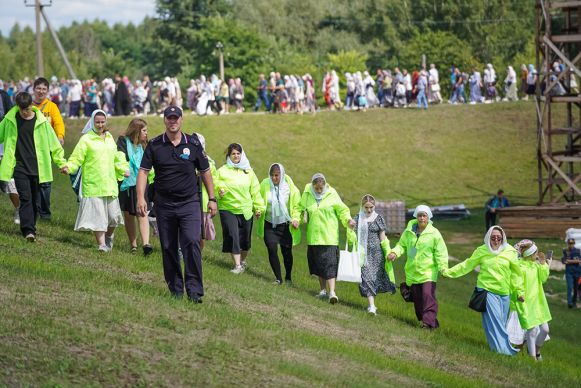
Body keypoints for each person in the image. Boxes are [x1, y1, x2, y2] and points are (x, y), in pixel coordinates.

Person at [136, 106, 216, 303]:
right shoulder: (155, 145)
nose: (173, 121)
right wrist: (140, 198)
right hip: (165, 205)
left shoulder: (193, 143)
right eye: (169, 118)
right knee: (169, 247)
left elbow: (205, 171)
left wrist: (212, 198)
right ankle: (176, 290)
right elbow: (143, 172)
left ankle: (195, 291)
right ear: (164, 120)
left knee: (191, 242)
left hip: (189, 203)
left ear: (181, 120)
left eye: (176, 118)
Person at [443, 226, 524, 355]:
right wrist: (449, 272)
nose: (496, 240)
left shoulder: (510, 252)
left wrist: (519, 291)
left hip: (504, 294)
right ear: (488, 238)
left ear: (503, 238)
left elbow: (516, 274)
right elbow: (467, 265)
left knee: (499, 324)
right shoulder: (481, 251)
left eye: (499, 237)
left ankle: (496, 350)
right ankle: (506, 351)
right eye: (493, 237)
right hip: (487, 290)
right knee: (495, 322)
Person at [0, 92, 67, 241]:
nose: (25, 112)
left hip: (38, 167)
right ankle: (28, 231)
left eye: (27, 108)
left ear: (31, 105)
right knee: (25, 198)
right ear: (18, 106)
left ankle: (31, 227)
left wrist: (62, 163)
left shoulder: (41, 122)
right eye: (22, 109)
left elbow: (54, 145)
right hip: (19, 166)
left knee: (36, 201)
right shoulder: (10, 120)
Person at [63, 110, 129, 252]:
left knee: (113, 217)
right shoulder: (86, 139)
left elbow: (117, 157)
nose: (100, 125)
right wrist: (69, 167)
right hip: (93, 183)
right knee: (98, 217)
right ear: (92, 122)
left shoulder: (110, 138)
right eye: (97, 122)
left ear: (106, 122)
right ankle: (101, 244)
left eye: (102, 122)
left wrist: (123, 169)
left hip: (109, 183)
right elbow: (76, 157)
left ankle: (109, 237)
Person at [388, 205, 448, 329]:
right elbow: (402, 245)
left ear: (428, 217)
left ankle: (427, 323)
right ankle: (431, 323)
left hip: (428, 273)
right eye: (419, 215)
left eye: (424, 215)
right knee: (418, 301)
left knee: (427, 296)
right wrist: (394, 252)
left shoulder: (434, 234)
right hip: (413, 273)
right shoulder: (409, 232)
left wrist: (443, 267)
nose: (421, 218)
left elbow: (441, 252)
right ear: (416, 216)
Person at [300, 173, 355, 304]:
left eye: (321, 188)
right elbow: (300, 208)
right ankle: (323, 291)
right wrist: (297, 218)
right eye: (317, 188)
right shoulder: (307, 194)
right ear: (313, 186)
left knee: (330, 265)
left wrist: (348, 220)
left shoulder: (332, 194)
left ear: (325, 185)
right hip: (314, 236)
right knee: (319, 265)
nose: (319, 191)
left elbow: (342, 210)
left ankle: (332, 293)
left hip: (329, 236)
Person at [215, 143, 264, 274]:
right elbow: (215, 183)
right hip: (228, 208)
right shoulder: (222, 170)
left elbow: (256, 191)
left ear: (242, 155)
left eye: (238, 153)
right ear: (229, 156)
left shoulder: (249, 171)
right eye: (233, 154)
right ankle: (237, 265)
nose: (236, 156)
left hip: (246, 210)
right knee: (233, 236)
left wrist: (259, 208)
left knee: (245, 241)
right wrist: (218, 191)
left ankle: (242, 262)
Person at [256, 163, 301, 285]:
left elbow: (297, 205)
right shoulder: (265, 184)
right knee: (271, 248)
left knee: (287, 252)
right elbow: (258, 199)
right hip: (269, 223)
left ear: (282, 174)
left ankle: (288, 277)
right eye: (272, 176)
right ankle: (278, 278)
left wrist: (296, 218)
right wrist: (258, 210)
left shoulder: (289, 186)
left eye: (277, 175)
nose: (274, 178)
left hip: (285, 224)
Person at [117, 118, 153, 255]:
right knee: (128, 215)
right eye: (144, 130)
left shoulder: (146, 145)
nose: (146, 133)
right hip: (127, 182)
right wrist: (123, 169)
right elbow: (119, 157)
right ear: (136, 131)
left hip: (142, 183)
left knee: (142, 212)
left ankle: (146, 244)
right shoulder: (122, 141)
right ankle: (133, 245)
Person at [355, 194, 396, 315]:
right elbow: (351, 232)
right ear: (362, 206)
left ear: (374, 206)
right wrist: (350, 226)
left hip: (377, 254)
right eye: (366, 207)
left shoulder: (378, 218)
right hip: (363, 254)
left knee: (374, 278)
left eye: (371, 207)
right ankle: (372, 306)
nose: (368, 210)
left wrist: (388, 252)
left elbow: (383, 238)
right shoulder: (358, 218)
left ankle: (372, 305)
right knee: (366, 277)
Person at [511, 241, 551, 360]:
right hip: (527, 304)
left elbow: (543, 279)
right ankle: (532, 357)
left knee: (545, 330)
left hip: (539, 303)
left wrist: (544, 264)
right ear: (530, 254)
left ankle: (536, 350)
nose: (538, 254)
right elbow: (516, 282)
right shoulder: (520, 267)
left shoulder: (536, 266)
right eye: (536, 252)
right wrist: (519, 293)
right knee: (532, 331)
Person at [32, 77, 66, 220]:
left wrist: (60, 136)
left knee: (45, 182)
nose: (41, 91)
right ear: (34, 90)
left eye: (44, 89)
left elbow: (58, 122)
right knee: (33, 180)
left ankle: (45, 213)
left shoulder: (51, 106)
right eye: (38, 88)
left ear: (47, 91)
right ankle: (33, 210)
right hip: (31, 148)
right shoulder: (28, 105)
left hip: (46, 149)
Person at [194, 132, 217, 249]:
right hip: (186, 200)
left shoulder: (209, 163)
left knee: (200, 232)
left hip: (202, 201)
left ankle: (198, 253)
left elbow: (214, 182)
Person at [562, 238, 581, 308]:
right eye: (569, 243)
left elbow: (579, 260)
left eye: (572, 243)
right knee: (569, 287)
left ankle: (574, 302)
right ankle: (569, 303)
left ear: (574, 243)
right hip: (569, 272)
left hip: (577, 272)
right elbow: (564, 261)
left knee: (576, 288)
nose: (571, 245)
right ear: (567, 244)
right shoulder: (565, 251)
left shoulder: (577, 251)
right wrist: (572, 261)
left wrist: (569, 261)